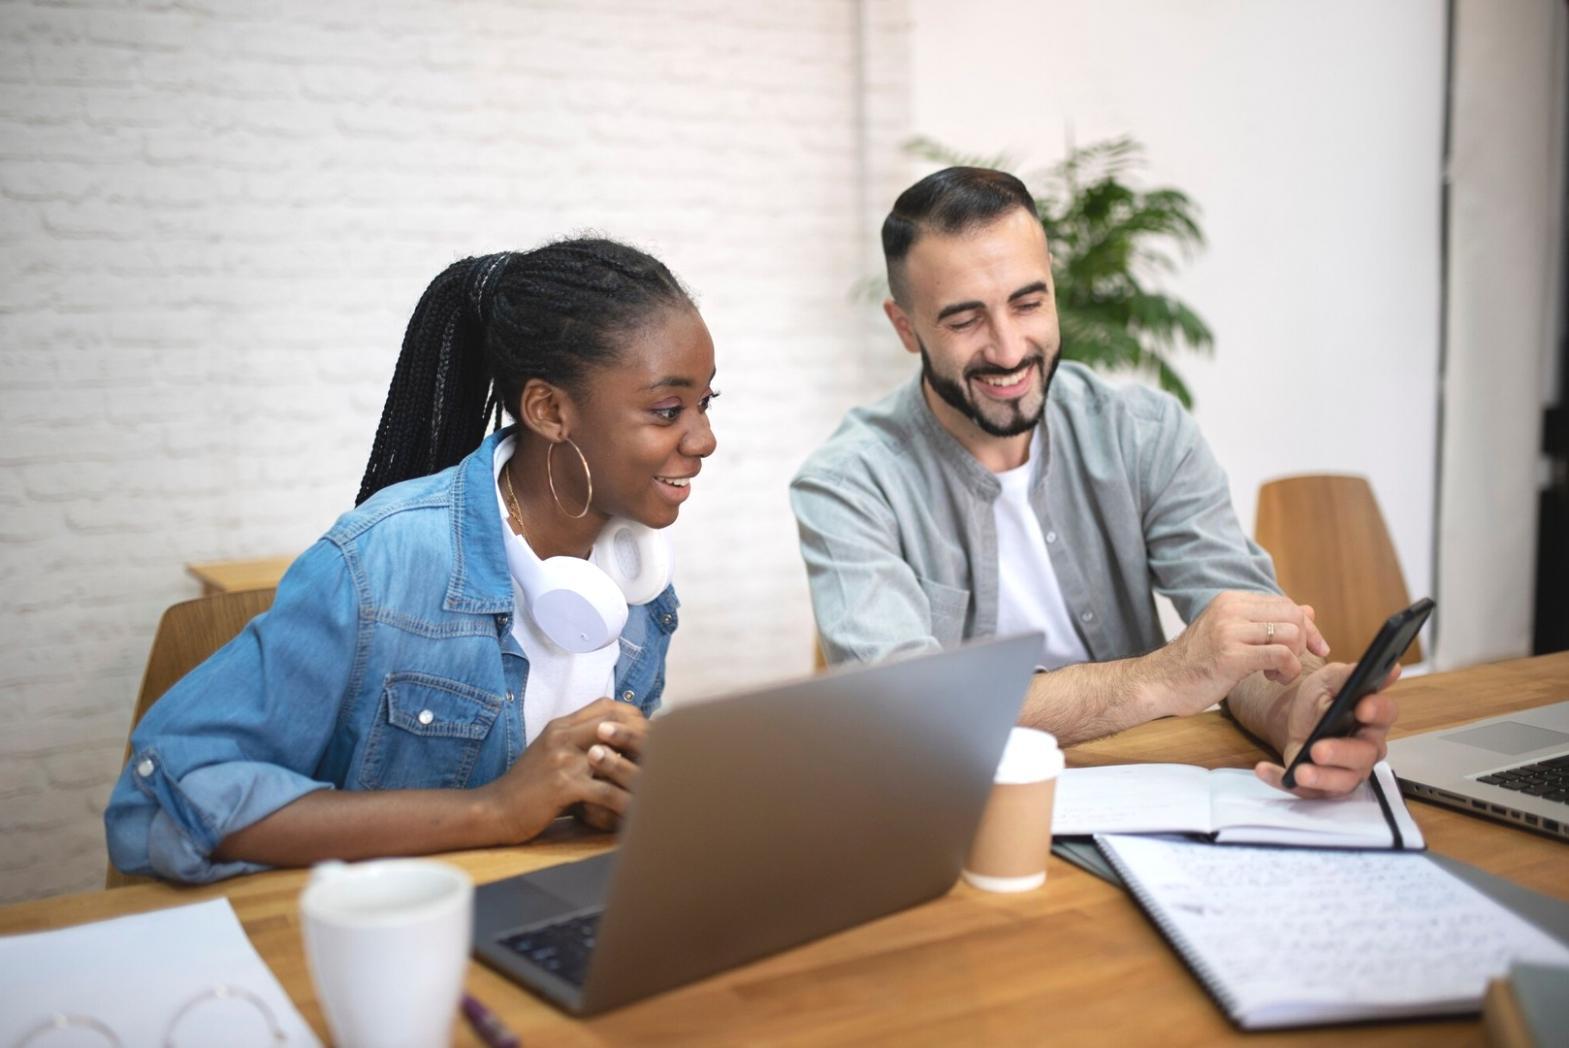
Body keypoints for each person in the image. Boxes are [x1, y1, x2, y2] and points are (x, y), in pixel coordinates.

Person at [106, 238, 719, 882]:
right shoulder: (379, 565)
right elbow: (169, 795)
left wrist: (617, 797)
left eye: (707, 403)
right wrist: (494, 809)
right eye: (667, 410)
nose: (704, 439)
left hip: (539, 910)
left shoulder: (639, 576)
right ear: (549, 410)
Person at [790, 168, 1396, 798]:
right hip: (964, 808)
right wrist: (1165, 676)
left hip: (1146, 788)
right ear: (906, 326)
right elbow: (910, 715)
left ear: (1052, 285)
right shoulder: (848, 484)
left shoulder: (1144, 431)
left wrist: (1296, 706)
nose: (1008, 349)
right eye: (965, 320)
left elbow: (1247, 652)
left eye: (1028, 303)